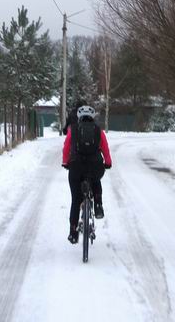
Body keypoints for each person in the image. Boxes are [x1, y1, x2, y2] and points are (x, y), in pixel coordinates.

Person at [62, 104, 112, 244]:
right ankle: (98, 204)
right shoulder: (98, 131)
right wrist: (107, 163)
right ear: (93, 116)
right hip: (95, 166)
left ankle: (73, 232)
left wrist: (66, 162)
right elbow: (105, 150)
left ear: (78, 117)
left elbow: (66, 148)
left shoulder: (73, 130)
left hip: (76, 167)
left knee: (75, 200)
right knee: (96, 180)